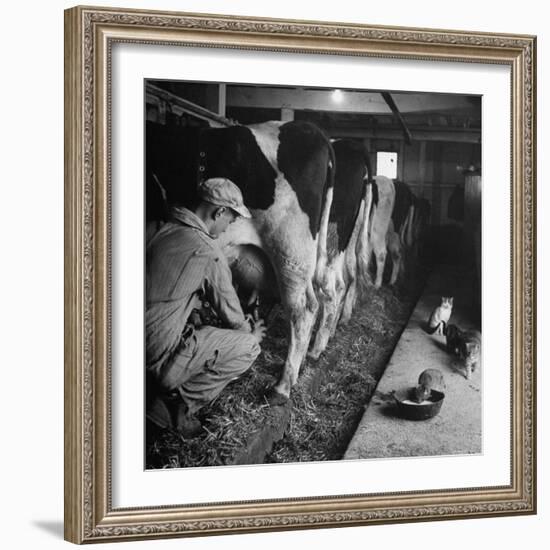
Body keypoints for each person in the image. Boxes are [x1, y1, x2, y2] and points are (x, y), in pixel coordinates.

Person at [146, 177, 266, 437]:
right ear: (219, 212)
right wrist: (251, 332)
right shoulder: (207, 251)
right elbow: (233, 317)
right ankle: (177, 406)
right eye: (231, 220)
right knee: (249, 347)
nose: (227, 228)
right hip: (153, 357)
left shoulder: (156, 228)